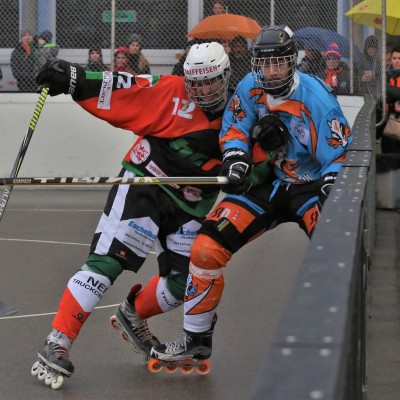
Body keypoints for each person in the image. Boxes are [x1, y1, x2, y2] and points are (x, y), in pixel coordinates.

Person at [31, 42, 233, 388]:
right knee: (108, 263)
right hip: (146, 183)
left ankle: (132, 314)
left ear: (226, 76)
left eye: (210, 82)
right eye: (195, 83)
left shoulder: (241, 110)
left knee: (187, 282)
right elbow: (124, 88)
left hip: (191, 204)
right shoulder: (172, 91)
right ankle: (57, 341)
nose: (201, 91)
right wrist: (75, 78)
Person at [151, 25, 352, 363]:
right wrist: (236, 160)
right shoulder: (249, 86)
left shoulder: (317, 98)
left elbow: (340, 155)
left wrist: (331, 185)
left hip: (311, 186)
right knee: (205, 249)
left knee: (335, 253)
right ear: (256, 64)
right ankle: (196, 338)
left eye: (280, 63)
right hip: (269, 183)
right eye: (265, 64)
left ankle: (338, 337)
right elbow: (234, 129)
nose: (272, 72)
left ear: (293, 62)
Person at [381, 46, 400, 154]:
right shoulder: (386, 76)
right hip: (388, 120)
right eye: (394, 58)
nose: (397, 61)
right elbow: (382, 92)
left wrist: (390, 92)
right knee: (388, 155)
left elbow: (387, 92)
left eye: (399, 58)